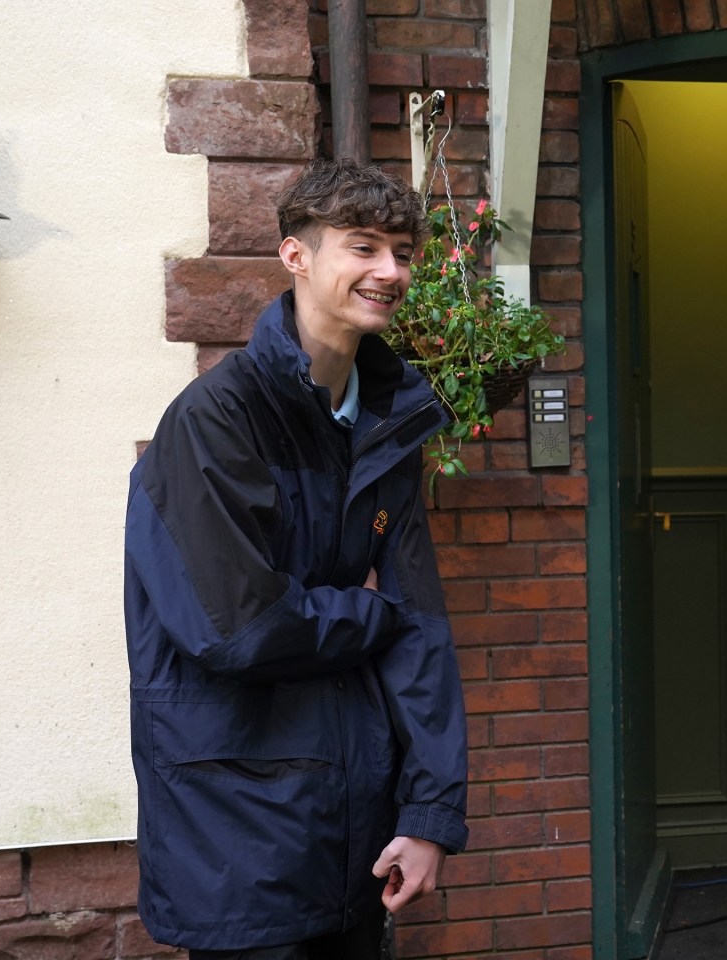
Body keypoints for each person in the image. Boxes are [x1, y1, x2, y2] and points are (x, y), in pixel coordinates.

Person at [123, 157, 469, 960]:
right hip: (239, 840)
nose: (390, 270)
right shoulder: (214, 422)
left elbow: (423, 632)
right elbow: (237, 628)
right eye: (363, 247)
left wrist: (428, 816)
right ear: (296, 256)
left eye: (404, 252)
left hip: (359, 837)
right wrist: (370, 609)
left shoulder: (389, 423)